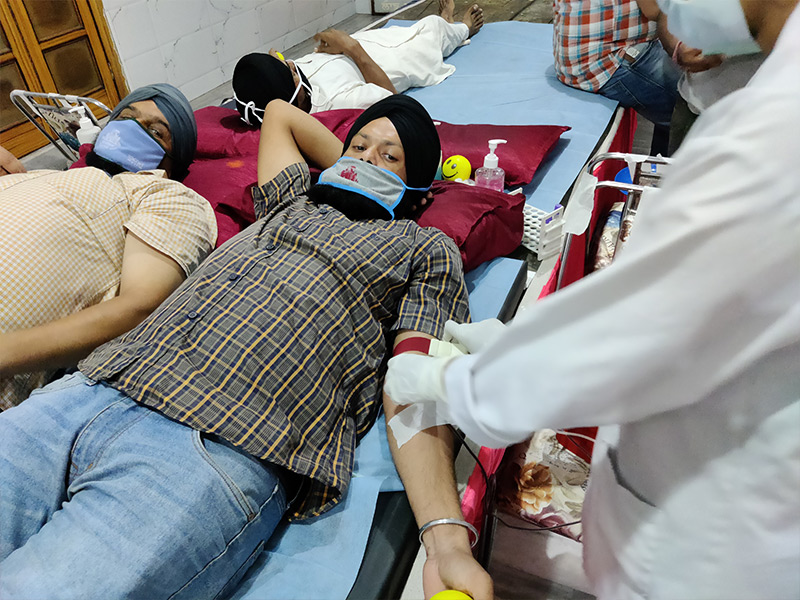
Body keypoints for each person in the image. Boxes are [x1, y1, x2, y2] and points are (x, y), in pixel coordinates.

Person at [0, 94, 493, 600]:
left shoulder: (424, 249)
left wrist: (446, 541)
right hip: (91, 389)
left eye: (389, 157)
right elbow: (279, 112)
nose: (364, 160)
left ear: (419, 191)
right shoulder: (291, 201)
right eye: (357, 147)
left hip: (215, 444)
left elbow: (414, 382)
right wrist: (355, 164)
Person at [386, 0, 800, 598]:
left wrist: (460, 385)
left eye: (387, 154)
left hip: (714, 549)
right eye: (358, 145)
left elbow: (629, 338)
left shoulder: (773, 141)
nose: (660, 8)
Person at [0, 84, 217, 410]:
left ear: (174, 162)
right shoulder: (38, 175)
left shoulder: (163, 195)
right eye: (125, 118)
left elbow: (139, 307)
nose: (131, 128)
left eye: (155, 131)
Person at [231, 0, 483, 122]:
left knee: (398, 31)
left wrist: (272, 66)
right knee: (431, 31)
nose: (290, 64)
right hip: (384, 62)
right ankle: (461, 27)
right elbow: (393, 100)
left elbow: (264, 82)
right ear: (295, 91)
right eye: (290, 71)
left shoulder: (275, 92)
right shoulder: (336, 102)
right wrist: (352, 48)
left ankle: (448, 27)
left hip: (349, 50)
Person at [552, 0, 721, 156]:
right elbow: (654, 10)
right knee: (701, 111)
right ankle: (681, 170)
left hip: (577, 57)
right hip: (607, 59)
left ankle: (660, 163)